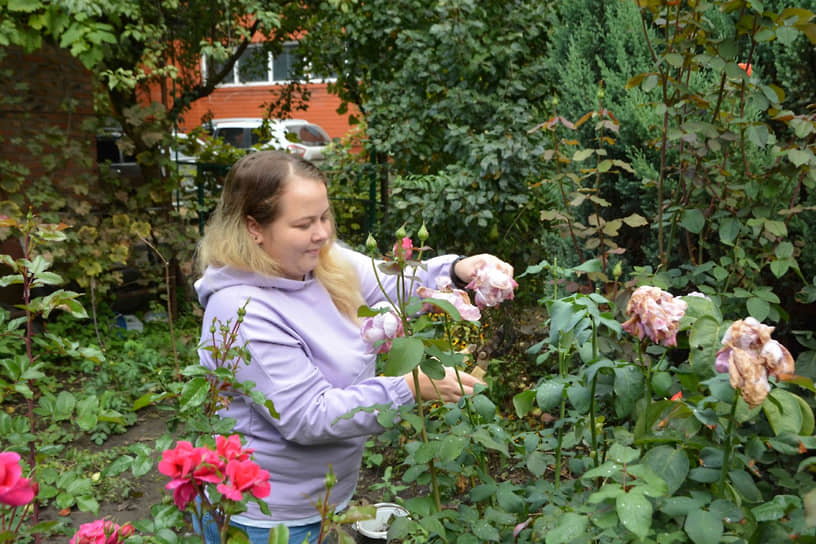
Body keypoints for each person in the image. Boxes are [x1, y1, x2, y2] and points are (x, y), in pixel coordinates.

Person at [193, 150, 513, 544]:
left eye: (324, 216)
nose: (322, 233)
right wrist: (411, 389)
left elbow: (390, 280)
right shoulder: (241, 311)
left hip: (327, 498)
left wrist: (456, 269)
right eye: (304, 223)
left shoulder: (320, 262)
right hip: (268, 520)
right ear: (254, 228)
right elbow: (307, 417)